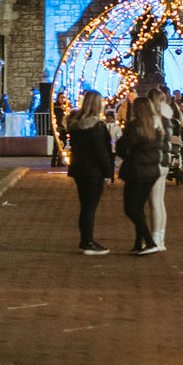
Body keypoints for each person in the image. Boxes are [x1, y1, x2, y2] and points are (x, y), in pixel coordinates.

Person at [66, 91, 114, 255]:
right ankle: (87, 242)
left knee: (85, 206)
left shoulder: (75, 125)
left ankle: (86, 239)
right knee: (90, 207)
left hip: (79, 169)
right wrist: (108, 173)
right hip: (93, 171)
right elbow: (101, 151)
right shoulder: (96, 126)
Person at [114, 97, 164, 255]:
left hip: (136, 171)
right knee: (139, 207)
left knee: (130, 209)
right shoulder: (155, 127)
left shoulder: (134, 127)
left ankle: (149, 242)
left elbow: (121, 147)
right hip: (151, 172)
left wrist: (126, 153)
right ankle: (138, 242)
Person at [146, 88, 175, 247]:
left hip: (157, 162)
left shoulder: (156, 119)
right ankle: (160, 238)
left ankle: (156, 239)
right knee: (160, 202)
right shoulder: (167, 117)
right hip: (165, 161)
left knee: (154, 203)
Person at [50, 91, 70, 167]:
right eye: (61, 97)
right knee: (57, 145)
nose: (62, 99)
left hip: (64, 127)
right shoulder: (55, 107)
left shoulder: (65, 106)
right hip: (58, 127)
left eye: (63, 97)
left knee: (63, 144)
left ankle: (59, 160)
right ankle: (54, 160)